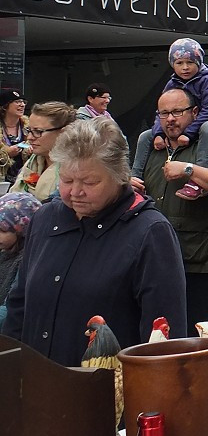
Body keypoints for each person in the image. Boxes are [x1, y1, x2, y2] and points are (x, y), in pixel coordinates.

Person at [2, 119, 187, 365]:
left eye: (89, 182)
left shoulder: (149, 232)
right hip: (38, 387)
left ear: (120, 177)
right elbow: (19, 307)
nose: (75, 192)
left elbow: (164, 338)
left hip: (108, 393)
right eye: (67, 180)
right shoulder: (45, 219)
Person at [136, 88, 208, 337]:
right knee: (159, 331)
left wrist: (189, 170)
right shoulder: (151, 146)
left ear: (195, 112)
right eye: (164, 113)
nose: (170, 119)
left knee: (198, 332)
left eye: (177, 112)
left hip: (201, 258)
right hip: (156, 258)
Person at [131, 39, 208, 201]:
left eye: (190, 62)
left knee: (207, 128)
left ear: (198, 62)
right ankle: (135, 181)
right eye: (179, 63)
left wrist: (190, 133)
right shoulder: (172, 83)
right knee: (145, 136)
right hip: (187, 129)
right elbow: (162, 111)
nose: (185, 67)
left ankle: (198, 180)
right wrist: (158, 133)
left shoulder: (207, 81)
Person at [11, 102, 77, 201]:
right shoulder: (32, 162)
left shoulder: (76, 168)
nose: (29, 137)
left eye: (38, 131)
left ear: (64, 132)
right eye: (29, 130)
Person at [0, 193, 41, 326]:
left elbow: (12, 309)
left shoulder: (28, 260)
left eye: (2, 230)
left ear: (22, 231)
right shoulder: (5, 251)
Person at [0, 89, 29, 185]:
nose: (22, 105)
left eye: (23, 102)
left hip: (24, 180)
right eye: (17, 102)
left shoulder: (29, 126)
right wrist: (5, 154)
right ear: (5, 106)